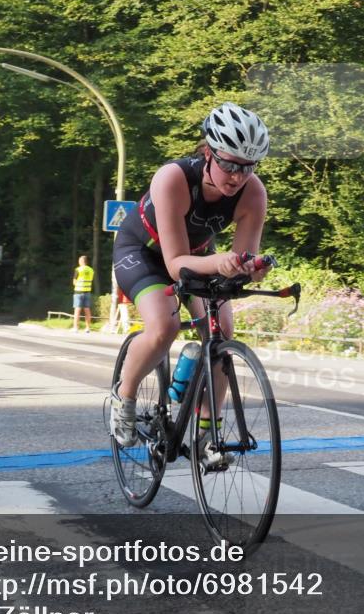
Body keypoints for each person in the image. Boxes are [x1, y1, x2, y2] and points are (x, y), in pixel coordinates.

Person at [111, 102, 271, 468]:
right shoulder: (173, 178)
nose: (236, 176)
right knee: (164, 326)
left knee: (222, 331)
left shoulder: (253, 194)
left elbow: (241, 261)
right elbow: (174, 263)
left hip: (198, 255)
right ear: (207, 152)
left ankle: (205, 434)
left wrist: (251, 269)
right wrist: (221, 263)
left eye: (248, 168)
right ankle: (125, 396)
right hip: (145, 253)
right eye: (229, 164)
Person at [72, 255, 95, 333]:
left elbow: (74, 282)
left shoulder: (78, 269)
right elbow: (91, 279)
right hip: (87, 291)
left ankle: (76, 328)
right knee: (87, 310)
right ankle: (88, 328)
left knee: (77, 310)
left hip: (78, 292)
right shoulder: (91, 270)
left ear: (81, 261)